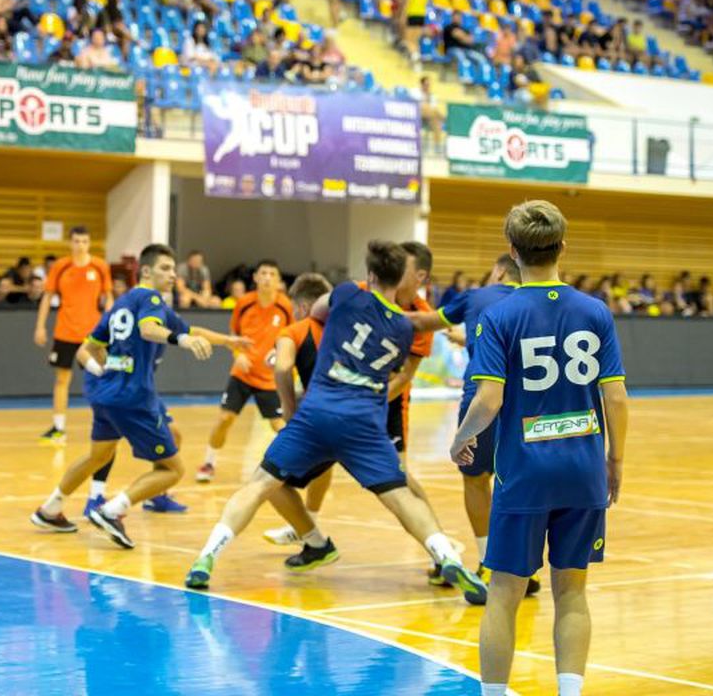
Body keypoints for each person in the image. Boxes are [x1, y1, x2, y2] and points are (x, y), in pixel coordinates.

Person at [184, 241, 486, 606]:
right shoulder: (407, 329)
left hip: (318, 412)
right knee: (400, 495)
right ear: (402, 278)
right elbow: (405, 362)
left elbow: (318, 312)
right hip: (365, 421)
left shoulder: (345, 295)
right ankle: (446, 556)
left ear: (371, 275)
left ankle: (208, 554)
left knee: (261, 483)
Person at [449, 200, 629, 696]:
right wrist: (614, 461)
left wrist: (461, 440)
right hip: (584, 470)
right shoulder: (595, 312)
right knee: (572, 593)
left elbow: (489, 398)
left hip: (524, 474)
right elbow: (615, 395)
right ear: (562, 247)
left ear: (512, 252)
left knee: (504, 594)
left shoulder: (501, 315)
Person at [29, 243, 248, 547]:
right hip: (133, 397)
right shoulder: (151, 299)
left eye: (174, 268)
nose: (173, 274)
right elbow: (149, 330)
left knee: (100, 455)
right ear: (146, 271)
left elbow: (85, 350)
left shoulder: (123, 303)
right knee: (173, 470)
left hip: (108, 395)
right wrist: (181, 340)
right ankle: (112, 510)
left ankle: (50, 509)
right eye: (165, 268)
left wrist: (227, 340)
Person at [410, 254, 535, 590]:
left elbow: (424, 322)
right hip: (530, 403)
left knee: (476, 479)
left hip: (484, 398)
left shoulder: (477, 296)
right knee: (518, 482)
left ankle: (490, 562)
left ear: (498, 271)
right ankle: (525, 565)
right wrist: (468, 340)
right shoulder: (537, 301)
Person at [196, 259, 292, 481]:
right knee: (224, 419)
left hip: (269, 379)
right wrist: (238, 356)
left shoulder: (285, 306)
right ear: (256, 278)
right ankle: (209, 462)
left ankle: (288, 466)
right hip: (242, 374)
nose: (267, 277)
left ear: (278, 281)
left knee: (279, 426)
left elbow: (291, 338)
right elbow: (233, 334)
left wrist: (285, 367)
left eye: (272, 274)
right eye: (263, 273)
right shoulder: (244, 303)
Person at [260, 273, 333, 544]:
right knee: (396, 487)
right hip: (363, 412)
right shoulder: (343, 328)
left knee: (268, 479)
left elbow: (281, 367)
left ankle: (312, 537)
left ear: (302, 307)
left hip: (330, 417)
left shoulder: (302, 330)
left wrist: (289, 406)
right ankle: (439, 548)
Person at [36, 226, 113, 444]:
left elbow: (108, 298)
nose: (80, 245)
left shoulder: (99, 266)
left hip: (92, 336)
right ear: (70, 243)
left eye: (84, 241)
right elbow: (47, 297)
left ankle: (110, 424)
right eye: (77, 241)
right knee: (61, 380)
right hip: (65, 333)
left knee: (102, 378)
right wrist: (40, 326)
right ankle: (59, 429)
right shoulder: (61, 266)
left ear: (89, 243)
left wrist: (109, 327)